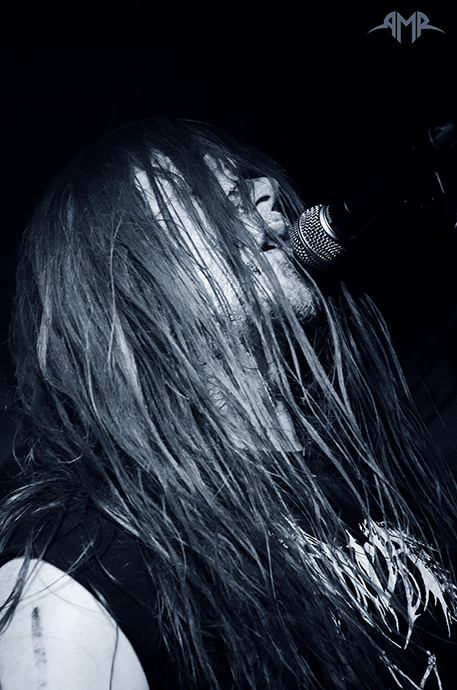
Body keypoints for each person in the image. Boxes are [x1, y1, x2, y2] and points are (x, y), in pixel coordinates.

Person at [0, 117, 456, 690]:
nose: (265, 189)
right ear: (122, 280)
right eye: (195, 188)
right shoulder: (85, 567)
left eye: (249, 180)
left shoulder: (361, 458)